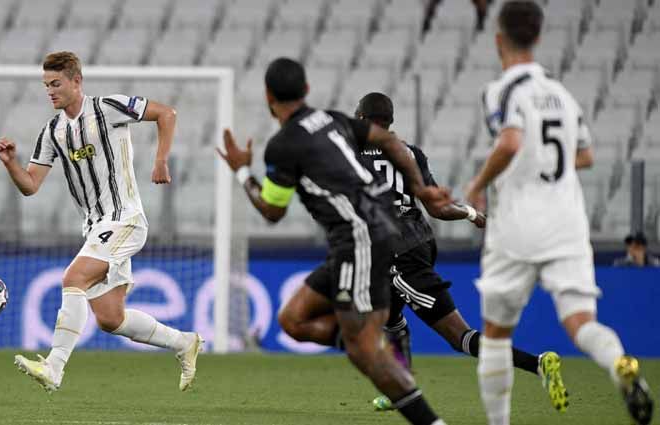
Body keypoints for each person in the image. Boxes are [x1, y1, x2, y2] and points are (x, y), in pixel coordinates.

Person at [218, 57, 452, 425]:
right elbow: (389, 140)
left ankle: (420, 408)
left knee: (364, 352)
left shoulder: (282, 147)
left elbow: (271, 211)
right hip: (362, 237)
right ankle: (379, 348)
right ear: (306, 90)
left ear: (267, 96)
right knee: (293, 320)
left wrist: (242, 171)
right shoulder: (333, 119)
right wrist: (421, 187)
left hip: (363, 238)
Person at [465, 2, 654, 424]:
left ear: (499, 40)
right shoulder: (563, 96)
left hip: (517, 224)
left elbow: (511, 142)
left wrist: (477, 185)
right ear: (538, 38)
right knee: (580, 322)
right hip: (567, 221)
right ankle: (618, 363)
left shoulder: (501, 90)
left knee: (495, 335)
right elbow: (584, 156)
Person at [0, 51, 203, 393]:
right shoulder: (52, 131)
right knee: (110, 318)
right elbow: (30, 185)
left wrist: (161, 160)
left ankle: (54, 367)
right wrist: (11, 164)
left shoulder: (108, 107)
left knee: (73, 277)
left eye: (56, 83)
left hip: (125, 219)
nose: (50, 91)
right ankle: (184, 343)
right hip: (96, 228)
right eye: (46, 85)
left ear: (77, 81)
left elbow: (166, 113)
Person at [354, 92, 566, 412]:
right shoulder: (410, 153)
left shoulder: (352, 153)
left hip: (397, 254)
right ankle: (401, 385)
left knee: (460, 337)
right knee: (390, 313)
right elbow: (437, 209)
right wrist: (471, 213)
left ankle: (538, 364)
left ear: (361, 119)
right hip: (421, 243)